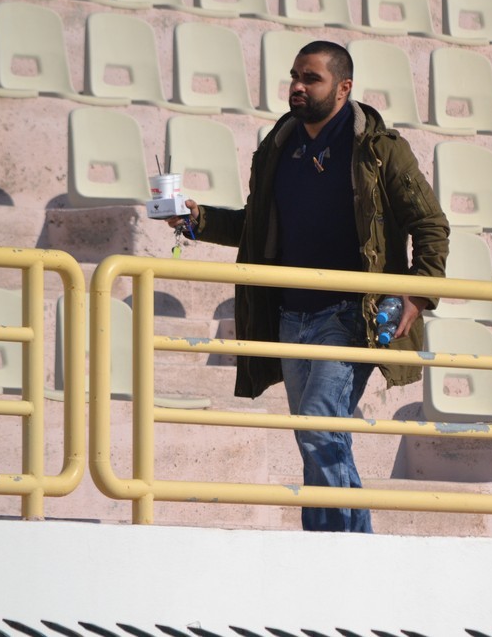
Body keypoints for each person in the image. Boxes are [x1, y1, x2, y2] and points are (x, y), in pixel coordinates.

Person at [166, 40, 449, 533]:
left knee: (319, 423)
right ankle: (327, 547)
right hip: (290, 315)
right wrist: (197, 221)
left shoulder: (380, 149)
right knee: (314, 434)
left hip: (351, 315)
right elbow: (257, 226)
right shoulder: (280, 145)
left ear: (343, 87)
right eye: (295, 76)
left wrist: (418, 292)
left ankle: (346, 549)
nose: (297, 86)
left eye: (311, 78)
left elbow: (430, 223)